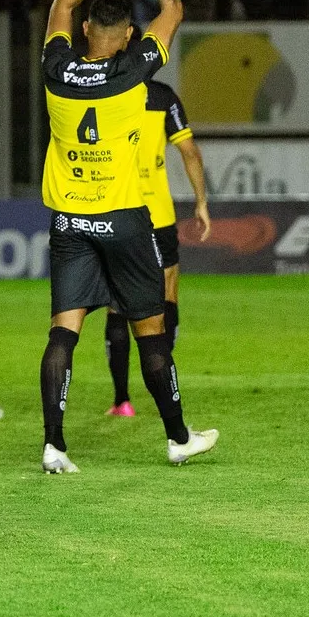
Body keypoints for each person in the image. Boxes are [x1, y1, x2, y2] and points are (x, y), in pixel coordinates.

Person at [38, 0, 217, 473]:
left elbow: (61, 0)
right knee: (151, 332)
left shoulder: (57, 67)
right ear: (129, 36)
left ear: (87, 30)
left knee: (63, 334)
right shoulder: (135, 70)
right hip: (124, 219)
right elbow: (175, 7)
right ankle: (177, 436)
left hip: (69, 221)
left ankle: (54, 444)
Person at [105, 78, 211, 417]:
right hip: (159, 215)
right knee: (166, 297)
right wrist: (201, 202)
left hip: (118, 210)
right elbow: (190, 150)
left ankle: (122, 401)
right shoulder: (163, 96)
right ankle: (164, 390)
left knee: (116, 303)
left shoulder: (107, 89)